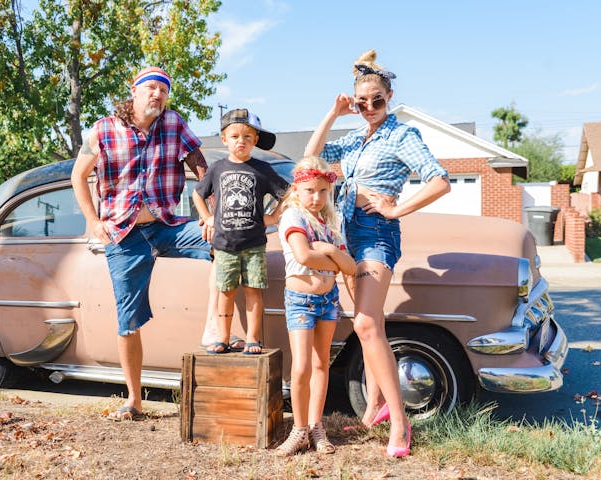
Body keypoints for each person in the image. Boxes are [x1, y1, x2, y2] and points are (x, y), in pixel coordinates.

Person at [304, 50, 450, 457]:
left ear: (390, 97)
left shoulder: (403, 136)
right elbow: (310, 159)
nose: (370, 108)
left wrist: (394, 208)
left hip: (375, 233)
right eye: (362, 103)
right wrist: (333, 114)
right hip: (344, 236)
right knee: (370, 326)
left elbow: (440, 181)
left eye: (378, 101)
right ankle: (373, 408)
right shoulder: (354, 138)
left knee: (366, 324)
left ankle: (400, 425)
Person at [71, 66, 214, 421]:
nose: (157, 95)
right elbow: (79, 175)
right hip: (124, 233)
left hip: (168, 225)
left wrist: (211, 211)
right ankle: (134, 399)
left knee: (224, 243)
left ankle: (219, 331)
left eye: (163, 91)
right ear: (133, 91)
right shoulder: (103, 129)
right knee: (128, 320)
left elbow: (199, 163)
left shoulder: (174, 124)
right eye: (150, 88)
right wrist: (93, 221)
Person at [274, 157, 356, 457]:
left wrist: (330, 249)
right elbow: (304, 256)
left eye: (322, 191)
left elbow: (350, 267)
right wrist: (332, 262)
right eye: (310, 190)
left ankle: (316, 426)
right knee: (302, 366)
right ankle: (298, 429)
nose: (317, 197)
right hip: (301, 300)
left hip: (328, 299)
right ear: (297, 188)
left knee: (322, 363)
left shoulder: (330, 224)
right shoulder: (293, 216)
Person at [193, 109, 289, 355]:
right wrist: (207, 218)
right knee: (225, 292)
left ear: (255, 141)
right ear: (224, 139)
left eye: (248, 136)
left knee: (253, 292)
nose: (241, 141)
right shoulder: (216, 169)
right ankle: (222, 337)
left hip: (255, 244)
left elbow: (288, 193)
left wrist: (274, 216)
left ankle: (252, 339)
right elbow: (197, 194)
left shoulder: (262, 169)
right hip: (224, 245)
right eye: (235, 136)